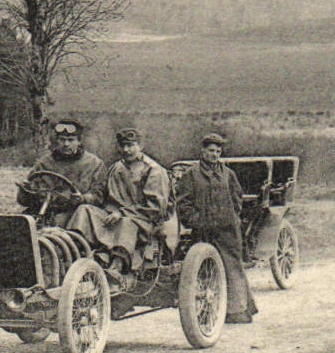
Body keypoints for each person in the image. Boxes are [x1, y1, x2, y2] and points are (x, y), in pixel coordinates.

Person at [174, 133, 258, 324]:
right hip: (203, 231)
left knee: (232, 268)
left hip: (227, 231)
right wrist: (197, 221)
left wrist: (232, 218)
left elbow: (237, 198)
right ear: (202, 151)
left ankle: (239, 310)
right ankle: (208, 312)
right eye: (211, 150)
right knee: (206, 271)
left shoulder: (228, 174)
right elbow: (183, 204)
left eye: (218, 151)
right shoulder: (191, 175)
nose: (215, 154)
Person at [67, 128, 171, 273]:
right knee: (84, 210)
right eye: (122, 146)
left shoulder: (154, 170)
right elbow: (102, 196)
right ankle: (75, 252)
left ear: (140, 146)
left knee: (126, 223)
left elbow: (155, 208)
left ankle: (117, 266)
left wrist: (122, 213)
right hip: (112, 217)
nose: (126, 150)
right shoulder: (115, 168)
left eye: (131, 145)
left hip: (142, 221)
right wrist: (84, 198)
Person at [20, 118, 105, 217]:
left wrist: (83, 199)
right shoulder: (44, 163)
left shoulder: (94, 164)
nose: (66, 144)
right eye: (62, 139)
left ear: (79, 142)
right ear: (57, 140)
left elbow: (99, 196)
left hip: (77, 214)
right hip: (46, 211)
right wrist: (25, 190)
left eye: (71, 140)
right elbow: (25, 199)